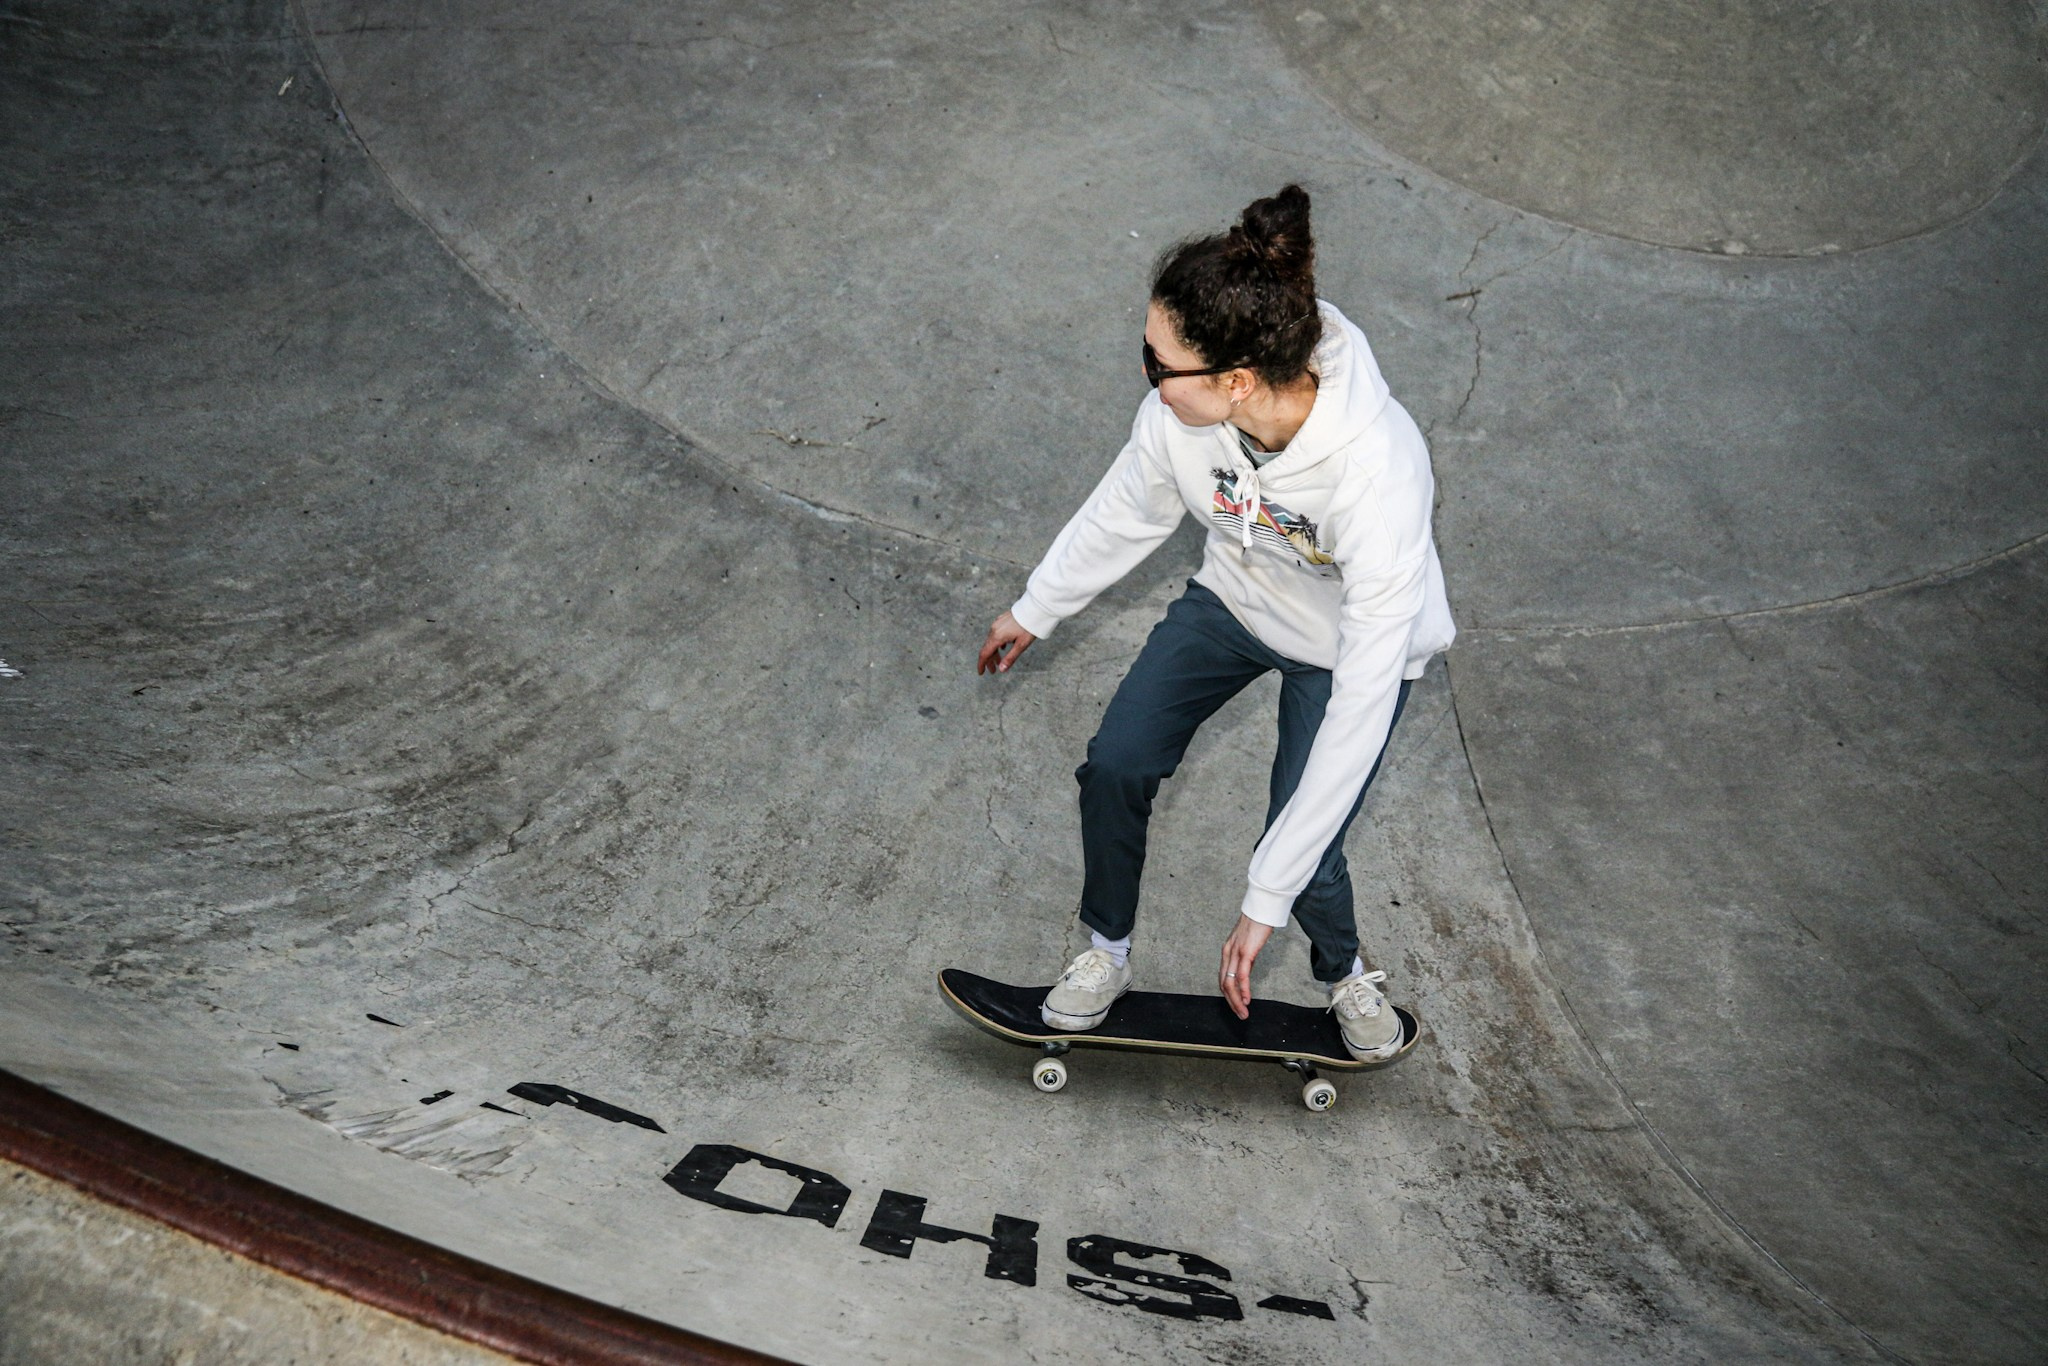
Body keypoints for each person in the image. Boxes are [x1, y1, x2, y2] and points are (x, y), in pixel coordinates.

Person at [975, 185, 1456, 1060]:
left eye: (1161, 365)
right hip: (1232, 603)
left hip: (1346, 653)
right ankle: (1104, 950)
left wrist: (1265, 894)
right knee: (1116, 763)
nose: (1150, 380)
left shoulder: (1379, 472)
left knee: (1306, 837)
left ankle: (1344, 971)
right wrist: (1037, 605)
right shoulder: (1182, 417)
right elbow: (1129, 506)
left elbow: (1360, 704)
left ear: (1236, 382)